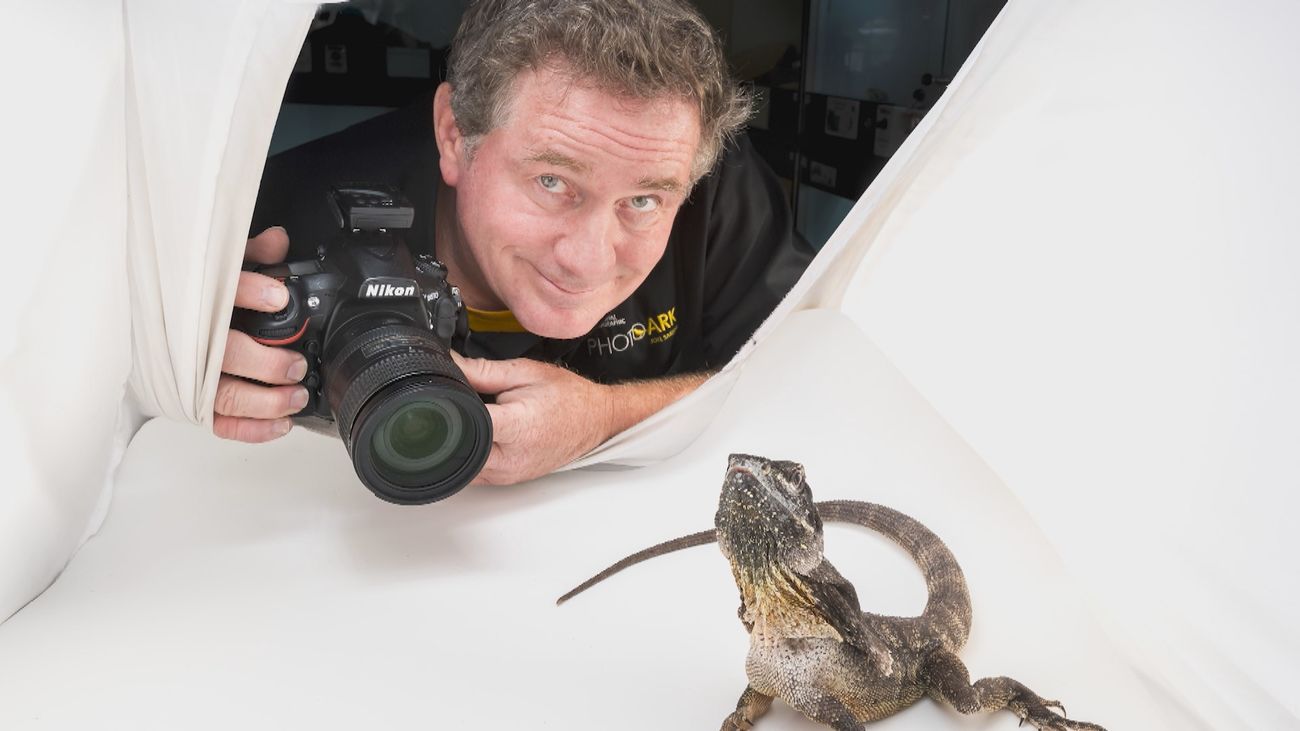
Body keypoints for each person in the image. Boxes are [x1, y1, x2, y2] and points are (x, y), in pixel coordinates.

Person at [217, 0, 813, 485]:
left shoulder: (712, 182)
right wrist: (190, 376)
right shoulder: (267, 227)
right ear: (455, 135)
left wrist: (607, 417)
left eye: (642, 203)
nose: (586, 260)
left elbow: (816, 370)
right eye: (552, 182)